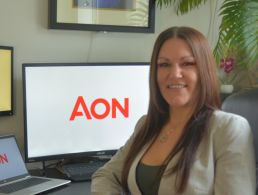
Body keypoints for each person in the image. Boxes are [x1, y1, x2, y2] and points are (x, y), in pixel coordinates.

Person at [91, 26, 256, 195]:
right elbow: (105, 175)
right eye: (164, 65)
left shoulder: (228, 128)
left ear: (203, 71)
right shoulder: (146, 125)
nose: (175, 74)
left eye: (187, 63)